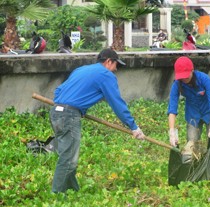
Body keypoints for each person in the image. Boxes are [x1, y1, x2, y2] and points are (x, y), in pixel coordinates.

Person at [49, 48, 145, 193]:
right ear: (108, 62)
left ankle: (72, 191)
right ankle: (55, 195)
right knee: (68, 159)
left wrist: (76, 108)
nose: (116, 69)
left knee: (67, 155)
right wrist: (133, 126)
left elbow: (58, 91)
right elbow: (117, 103)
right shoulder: (106, 75)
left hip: (55, 112)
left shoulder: (81, 70)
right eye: (115, 65)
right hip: (68, 116)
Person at [167, 56, 210, 162]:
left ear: (192, 70)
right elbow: (172, 109)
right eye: (181, 77)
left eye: (186, 77)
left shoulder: (204, 79)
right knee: (191, 145)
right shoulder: (177, 84)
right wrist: (172, 131)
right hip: (193, 115)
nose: (184, 80)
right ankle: (193, 170)